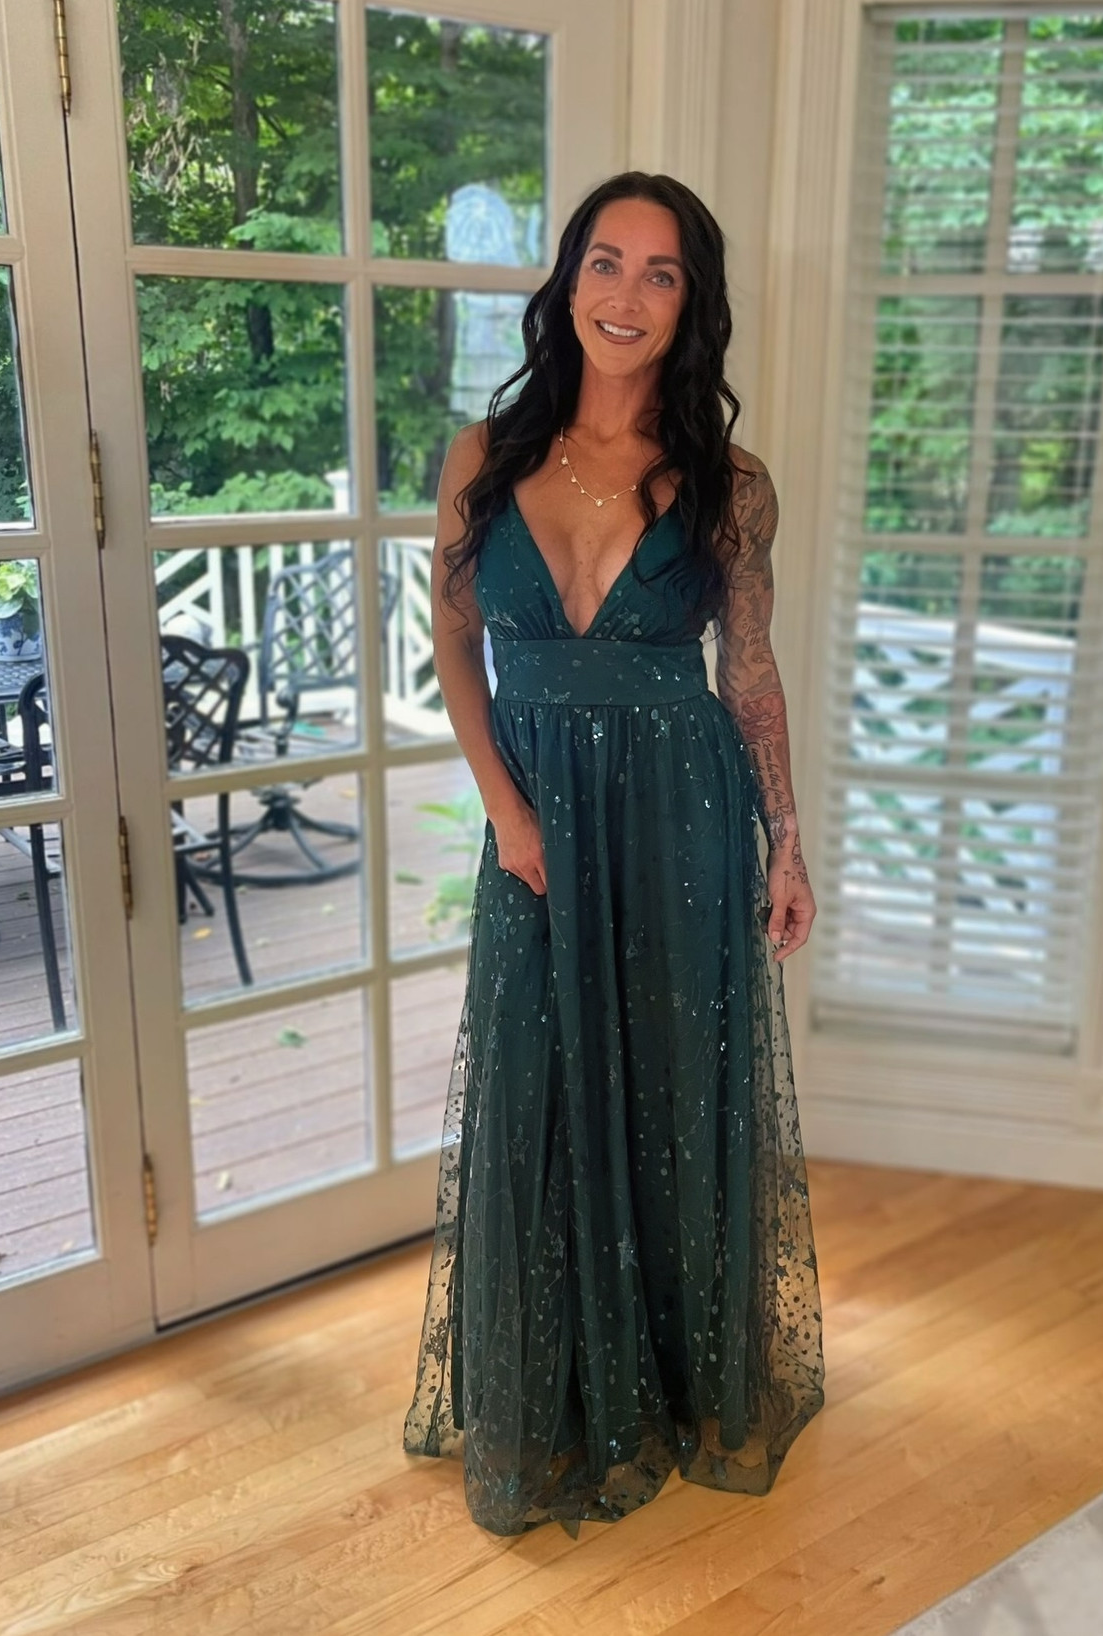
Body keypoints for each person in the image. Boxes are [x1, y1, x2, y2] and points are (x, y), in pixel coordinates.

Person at [403, 171, 825, 1536]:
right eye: (605, 261)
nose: (627, 295)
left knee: (673, 1089)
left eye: (661, 272)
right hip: (537, 817)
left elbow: (747, 670)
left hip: (682, 812)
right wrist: (505, 808)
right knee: (535, 1093)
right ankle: (556, 1400)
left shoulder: (730, 484)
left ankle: (681, 1383)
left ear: (691, 304)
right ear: (567, 281)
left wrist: (786, 841)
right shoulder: (483, 457)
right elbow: (454, 644)